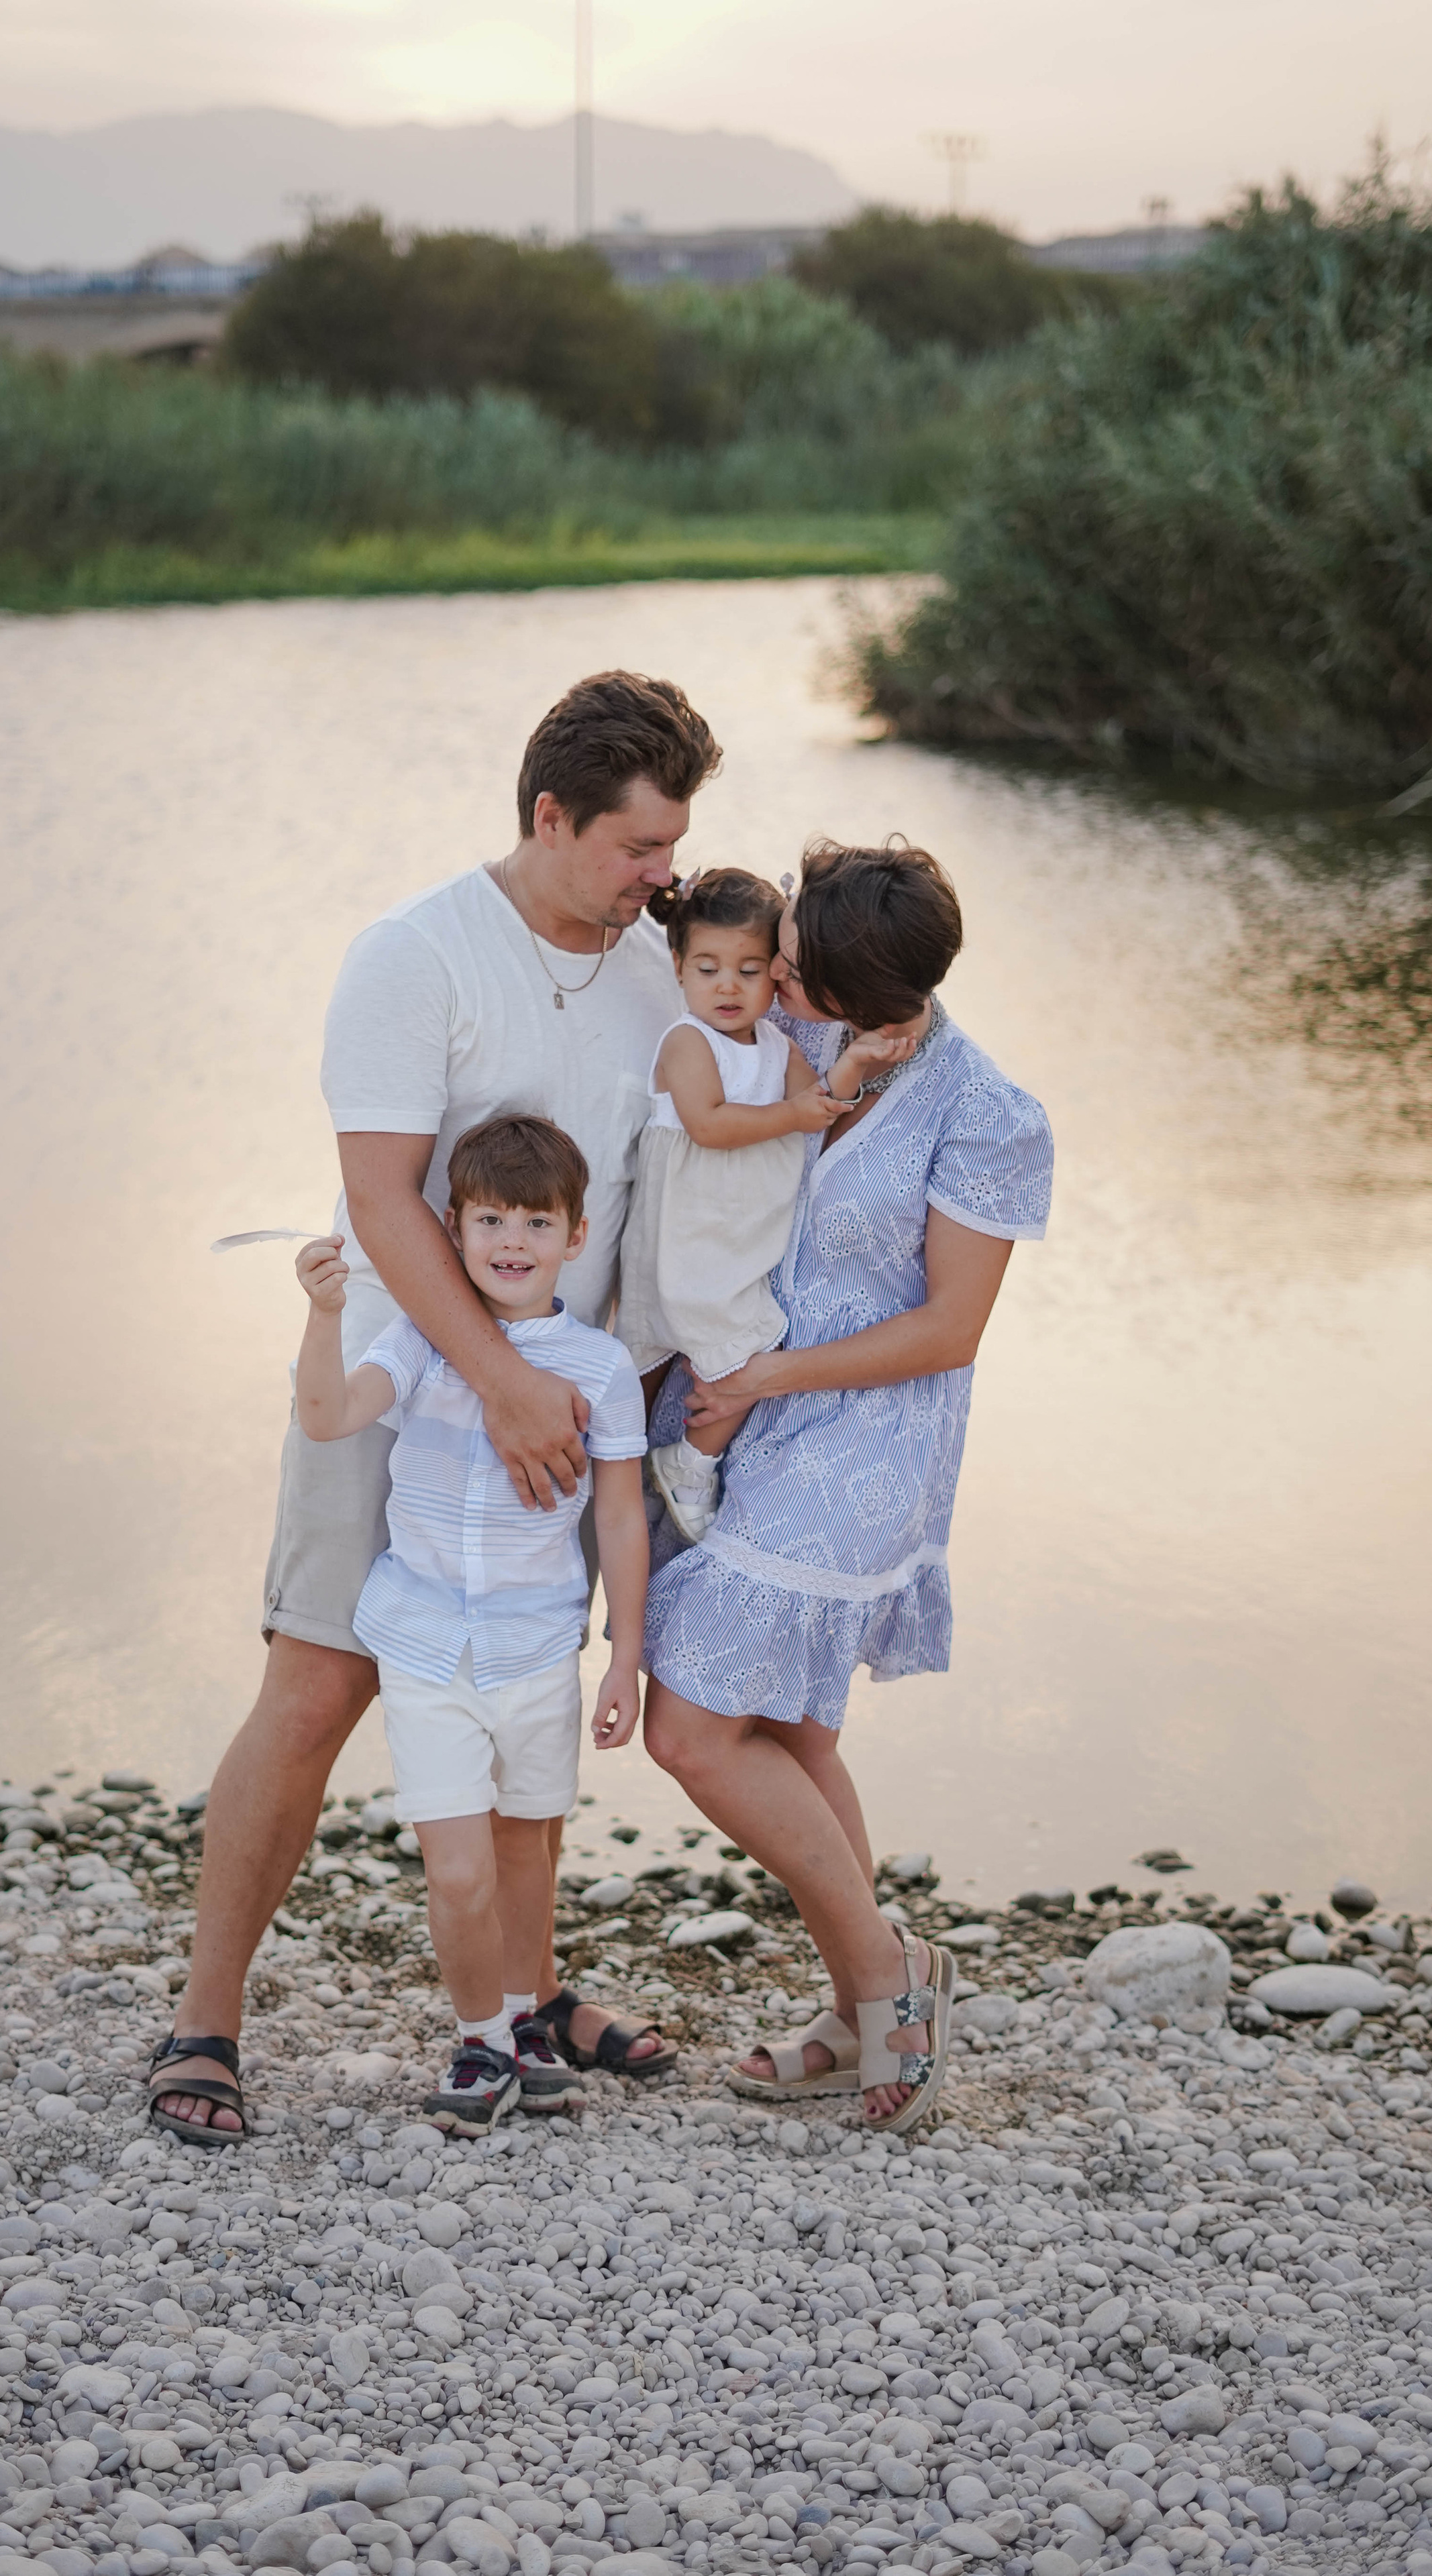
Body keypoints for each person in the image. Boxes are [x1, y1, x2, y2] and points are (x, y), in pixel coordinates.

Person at [148, 671, 719, 2142]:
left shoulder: (659, 968)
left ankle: (523, 1999)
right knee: (320, 1681)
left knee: (527, 1685)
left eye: (671, 848)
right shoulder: (415, 954)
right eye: (635, 850)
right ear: (549, 815)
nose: (663, 881)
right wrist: (501, 1378)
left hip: (564, 1409)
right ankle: (204, 2020)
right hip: (420, 1381)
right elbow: (378, 1198)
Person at [641, 837, 1054, 2135]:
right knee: (797, 1733)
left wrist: (771, 1380)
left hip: (864, 1437)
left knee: (693, 1727)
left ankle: (889, 1975)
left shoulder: (990, 1114)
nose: (782, 987)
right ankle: (853, 2001)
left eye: (805, 976)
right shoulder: (799, 1035)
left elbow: (950, 1330)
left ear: (880, 994)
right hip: (742, 1408)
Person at [283, 1116, 648, 2136]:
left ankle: (528, 2024)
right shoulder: (421, 1344)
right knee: (457, 1863)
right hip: (428, 1645)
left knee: (527, 1851)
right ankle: (479, 2036)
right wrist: (323, 1315)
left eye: (537, 1220)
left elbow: (618, 1512)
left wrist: (627, 1654)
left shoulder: (600, 1368)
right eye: (490, 1219)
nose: (513, 1240)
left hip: (539, 1647)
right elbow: (327, 1417)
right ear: (454, 1229)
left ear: (577, 1236)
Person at [616, 865, 907, 1540]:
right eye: (709, 968)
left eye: (750, 971)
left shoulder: (775, 1045)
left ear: (774, 975)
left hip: (736, 1232)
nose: (728, 986)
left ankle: (681, 1459)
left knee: (736, 1345)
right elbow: (709, 1125)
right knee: (709, 1352)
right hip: (688, 1232)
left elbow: (821, 1104)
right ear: (679, 965)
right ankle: (678, 1463)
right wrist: (793, 1113)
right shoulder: (687, 1042)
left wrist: (857, 1063)